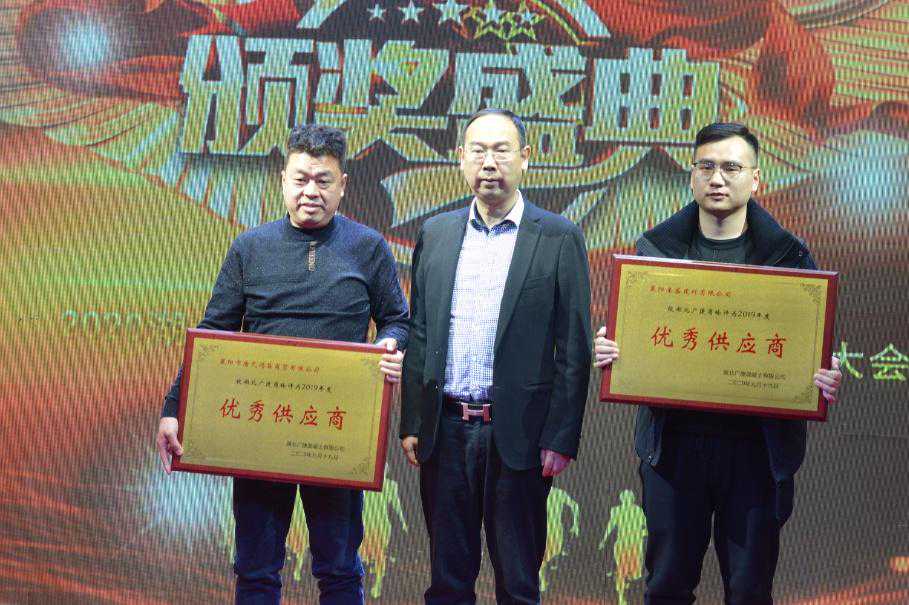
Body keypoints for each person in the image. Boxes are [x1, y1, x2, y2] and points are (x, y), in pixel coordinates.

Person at [155, 124, 408, 605]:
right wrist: (173, 408)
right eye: (300, 179)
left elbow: (397, 319)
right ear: (283, 181)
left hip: (336, 432)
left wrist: (390, 345)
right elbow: (213, 334)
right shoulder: (250, 247)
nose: (311, 191)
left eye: (323, 180)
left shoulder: (368, 246)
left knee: (340, 570)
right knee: (256, 571)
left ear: (342, 184)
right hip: (261, 432)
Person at [594, 122, 842, 605]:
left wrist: (822, 376)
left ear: (756, 179)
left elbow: (810, 348)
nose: (717, 178)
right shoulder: (655, 252)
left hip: (757, 452)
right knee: (666, 586)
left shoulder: (790, 257)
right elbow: (636, 339)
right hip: (673, 448)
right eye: (706, 166)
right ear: (691, 176)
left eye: (731, 167)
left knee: (749, 591)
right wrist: (613, 350)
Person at [400, 108, 592, 604]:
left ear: (525, 158)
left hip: (519, 436)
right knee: (448, 582)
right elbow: (420, 331)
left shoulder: (558, 236)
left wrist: (561, 437)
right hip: (445, 432)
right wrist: (413, 420)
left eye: (502, 150)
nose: (489, 162)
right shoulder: (437, 233)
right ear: (460, 158)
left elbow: (574, 348)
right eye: (479, 150)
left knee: (519, 584)